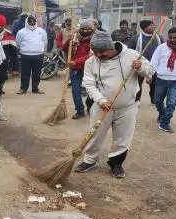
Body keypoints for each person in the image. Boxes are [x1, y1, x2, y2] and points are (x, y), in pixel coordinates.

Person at [75, 31, 154, 178]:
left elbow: (150, 71)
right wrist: (101, 100)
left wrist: (141, 67)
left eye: (101, 52)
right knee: (95, 135)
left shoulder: (131, 55)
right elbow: (89, 84)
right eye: (95, 52)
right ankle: (90, 160)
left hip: (127, 106)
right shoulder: (91, 62)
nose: (98, 55)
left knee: (123, 137)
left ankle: (116, 163)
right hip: (101, 105)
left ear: (111, 47)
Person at [127, 20, 163, 103]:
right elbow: (129, 52)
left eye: (154, 25)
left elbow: (163, 49)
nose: (153, 27)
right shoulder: (136, 38)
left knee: (154, 84)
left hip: (154, 65)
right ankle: (136, 100)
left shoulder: (158, 38)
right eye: (151, 25)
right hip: (140, 65)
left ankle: (154, 100)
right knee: (137, 84)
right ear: (144, 27)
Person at [65, 18, 94, 119]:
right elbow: (65, 49)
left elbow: (90, 55)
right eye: (83, 29)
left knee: (92, 90)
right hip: (76, 69)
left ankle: (90, 106)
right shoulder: (75, 38)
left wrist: (76, 61)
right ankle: (80, 110)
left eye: (88, 29)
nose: (85, 31)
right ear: (79, 29)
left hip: (90, 69)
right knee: (75, 90)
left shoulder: (94, 39)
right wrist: (68, 41)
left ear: (92, 29)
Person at [15, 16, 47, 95]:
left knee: (37, 73)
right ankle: (23, 88)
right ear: (27, 22)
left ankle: (35, 88)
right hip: (25, 55)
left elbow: (45, 42)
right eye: (30, 21)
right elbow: (18, 43)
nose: (32, 23)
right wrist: (22, 50)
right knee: (25, 73)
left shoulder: (42, 31)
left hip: (39, 55)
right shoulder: (21, 32)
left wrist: (42, 51)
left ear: (36, 21)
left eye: (34, 21)